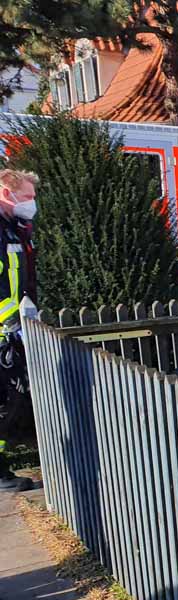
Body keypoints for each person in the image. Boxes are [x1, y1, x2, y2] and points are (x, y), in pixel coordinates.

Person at [0, 169, 37, 492]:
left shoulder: (16, 229)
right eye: (26, 197)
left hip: (13, 328)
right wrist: (8, 322)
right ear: (6, 192)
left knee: (10, 400)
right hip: (3, 329)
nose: (31, 203)